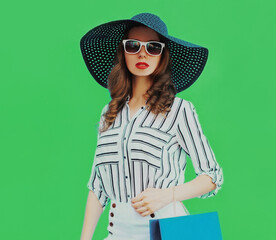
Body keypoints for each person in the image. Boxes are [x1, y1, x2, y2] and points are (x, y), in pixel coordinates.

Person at [80, 12, 224, 240]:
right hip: (117, 232)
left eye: (153, 47)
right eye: (133, 46)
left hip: (166, 231)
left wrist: (168, 195)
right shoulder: (109, 113)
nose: (142, 53)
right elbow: (98, 187)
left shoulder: (179, 110)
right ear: (123, 52)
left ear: (162, 56)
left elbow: (212, 176)